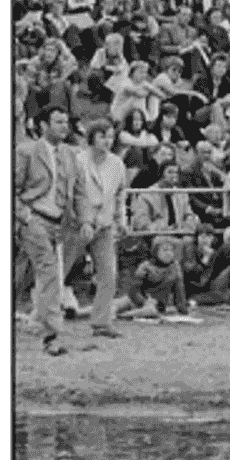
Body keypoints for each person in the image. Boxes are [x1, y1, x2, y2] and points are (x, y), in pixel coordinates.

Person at [14, 105, 77, 355]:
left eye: (66, 121)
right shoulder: (26, 150)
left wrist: (80, 219)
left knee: (30, 275)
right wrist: (24, 215)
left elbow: (76, 189)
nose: (64, 126)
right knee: (49, 271)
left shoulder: (70, 153)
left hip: (57, 222)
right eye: (58, 121)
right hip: (34, 219)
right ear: (43, 125)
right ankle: (52, 336)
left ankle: (38, 321)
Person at [65, 116, 130, 339]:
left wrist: (122, 221)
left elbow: (121, 195)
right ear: (91, 138)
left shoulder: (117, 163)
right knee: (58, 271)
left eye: (111, 136)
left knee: (108, 275)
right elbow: (70, 193)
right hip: (77, 225)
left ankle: (101, 323)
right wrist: (78, 219)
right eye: (103, 136)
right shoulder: (78, 160)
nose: (108, 140)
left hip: (104, 225)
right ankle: (42, 317)